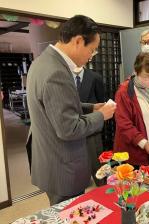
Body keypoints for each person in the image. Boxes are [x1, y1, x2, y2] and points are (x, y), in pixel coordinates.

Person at [26, 15, 116, 205]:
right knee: (69, 214)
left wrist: (91, 107)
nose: (91, 56)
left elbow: (55, 106)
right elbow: (69, 128)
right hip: (62, 167)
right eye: (91, 50)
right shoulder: (56, 72)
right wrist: (101, 115)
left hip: (50, 160)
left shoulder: (42, 62)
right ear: (78, 41)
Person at [113, 52, 149, 166]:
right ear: (136, 72)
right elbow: (124, 124)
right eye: (145, 76)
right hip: (131, 153)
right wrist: (144, 143)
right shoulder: (124, 92)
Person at [74, 67, 105, 186]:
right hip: (72, 123)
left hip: (92, 124)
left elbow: (100, 100)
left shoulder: (95, 77)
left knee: (96, 160)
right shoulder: (64, 77)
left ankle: (102, 186)